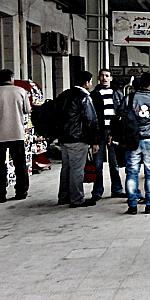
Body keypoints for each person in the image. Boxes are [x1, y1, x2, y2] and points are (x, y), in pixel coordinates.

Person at [0, 69, 31, 203]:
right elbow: (27, 109)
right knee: (20, 164)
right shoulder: (21, 91)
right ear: (12, 78)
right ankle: (21, 191)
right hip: (16, 133)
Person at [122, 72, 150, 215]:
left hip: (133, 140)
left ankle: (132, 205)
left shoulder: (129, 98)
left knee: (132, 173)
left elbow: (120, 114)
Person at [57, 70, 100, 208]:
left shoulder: (64, 95)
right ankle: (77, 199)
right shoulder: (84, 97)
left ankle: (64, 196)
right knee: (77, 169)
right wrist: (95, 140)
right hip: (78, 138)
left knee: (66, 168)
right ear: (86, 82)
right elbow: (91, 120)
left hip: (64, 138)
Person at [89, 68, 125, 201]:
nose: (104, 78)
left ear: (111, 78)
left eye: (107, 76)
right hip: (99, 132)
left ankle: (117, 189)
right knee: (97, 163)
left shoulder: (117, 94)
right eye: (102, 76)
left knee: (113, 163)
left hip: (114, 132)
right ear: (98, 78)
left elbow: (122, 112)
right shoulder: (93, 95)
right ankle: (97, 191)